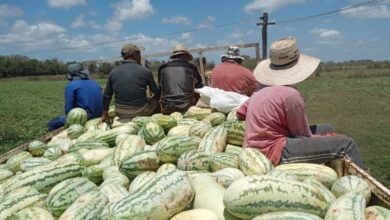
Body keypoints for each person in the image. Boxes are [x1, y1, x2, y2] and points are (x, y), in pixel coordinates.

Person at [236, 37, 366, 169]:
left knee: (328, 127)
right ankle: (368, 186)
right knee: (347, 144)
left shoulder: (261, 87)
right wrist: (328, 138)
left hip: (253, 147)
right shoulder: (291, 95)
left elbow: (241, 112)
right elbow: (301, 135)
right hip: (273, 152)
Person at [101, 43, 160, 123]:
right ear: (135, 55)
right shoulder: (145, 71)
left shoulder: (113, 72)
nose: (140, 57)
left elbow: (107, 95)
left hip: (120, 112)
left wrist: (105, 114)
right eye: (139, 54)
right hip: (140, 111)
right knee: (157, 97)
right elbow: (156, 91)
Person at [48, 63, 102, 131]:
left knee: (51, 124)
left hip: (86, 117)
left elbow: (68, 109)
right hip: (100, 115)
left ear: (70, 74)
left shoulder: (71, 86)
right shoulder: (94, 82)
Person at [158, 44, 204, 114]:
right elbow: (200, 86)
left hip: (167, 107)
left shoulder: (162, 68)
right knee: (198, 91)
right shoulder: (191, 67)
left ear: (174, 56)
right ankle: (194, 110)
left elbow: (160, 88)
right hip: (187, 106)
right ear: (185, 55)